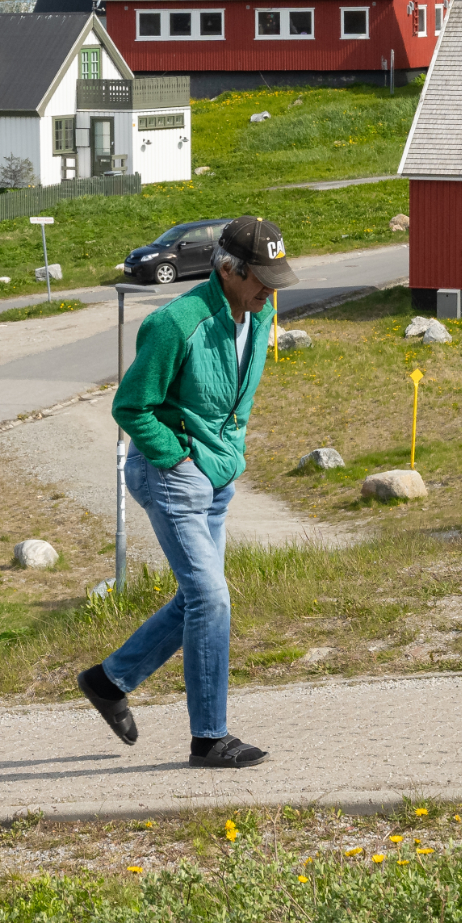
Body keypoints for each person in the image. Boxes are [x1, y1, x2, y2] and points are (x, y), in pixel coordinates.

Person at [77, 214, 297, 769]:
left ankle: (109, 681)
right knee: (211, 598)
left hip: (217, 473)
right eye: (262, 278)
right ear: (228, 269)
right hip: (171, 474)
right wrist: (178, 459)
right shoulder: (175, 324)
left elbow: (238, 393)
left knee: (197, 597)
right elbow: (131, 406)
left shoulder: (260, 312)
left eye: (276, 278)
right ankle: (209, 739)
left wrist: (227, 456)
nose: (271, 290)